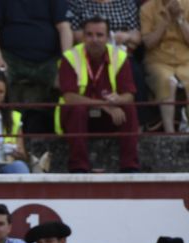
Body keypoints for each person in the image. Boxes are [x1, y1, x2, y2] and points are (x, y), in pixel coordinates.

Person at [56, 16, 140, 173]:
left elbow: (129, 95)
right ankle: (78, 168)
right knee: (77, 110)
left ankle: (130, 168)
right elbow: (69, 97)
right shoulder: (70, 57)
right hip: (78, 119)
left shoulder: (120, 56)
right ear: (83, 37)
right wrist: (103, 105)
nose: (94, 40)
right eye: (89, 34)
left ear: (108, 38)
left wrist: (118, 100)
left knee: (129, 108)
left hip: (109, 117)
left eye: (99, 35)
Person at [0, 0, 72, 133]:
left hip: (48, 60)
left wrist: (66, 61)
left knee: (68, 81)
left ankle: (65, 130)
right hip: (11, 58)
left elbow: (64, 27)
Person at [141, 0, 189, 134]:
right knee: (167, 81)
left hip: (185, 60)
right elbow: (148, 43)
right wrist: (165, 21)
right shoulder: (147, 9)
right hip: (158, 60)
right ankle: (170, 133)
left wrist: (180, 18)